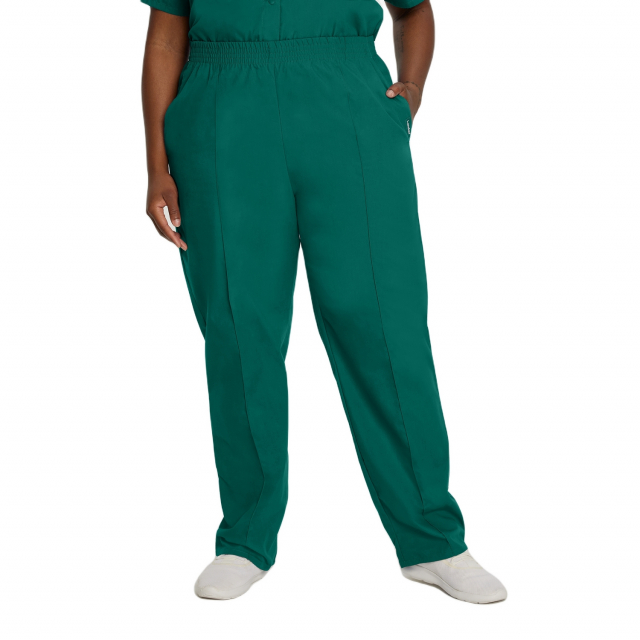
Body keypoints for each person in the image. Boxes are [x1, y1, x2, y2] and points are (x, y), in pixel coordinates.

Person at [141, 0, 506, 604]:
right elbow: (164, 37)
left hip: (347, 101)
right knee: (239, 328)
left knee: (385, 324)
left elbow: (413, 9)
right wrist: (157, 162)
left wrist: (411, 91)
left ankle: (433, 539)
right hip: (222, 106)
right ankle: (244, 538)